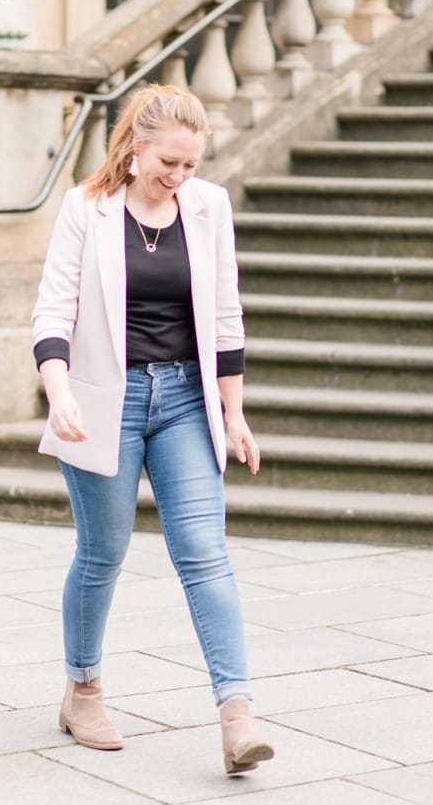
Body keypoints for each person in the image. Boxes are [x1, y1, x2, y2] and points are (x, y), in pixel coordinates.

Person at [31, 84, 274, 775]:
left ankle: (238, 716)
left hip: (184, 401)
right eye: (169, 161)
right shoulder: (86, 209)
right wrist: (58, 392)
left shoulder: (208, 207)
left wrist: (233, 413)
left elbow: (226, 317)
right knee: (102, 552)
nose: (179, 176)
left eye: (191, 164)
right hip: (104, 401)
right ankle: (83, 688)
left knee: (204, 553)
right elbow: (51, 311)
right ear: (136, 149)